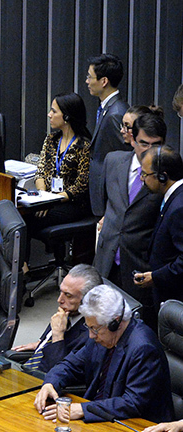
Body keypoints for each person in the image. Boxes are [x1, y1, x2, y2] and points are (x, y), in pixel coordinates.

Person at [34, 285, 173, 424]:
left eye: (94, 329)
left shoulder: (143, 348)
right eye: (88, 327)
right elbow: (71, 364)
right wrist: (51, 383)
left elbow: (132, 403)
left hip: (137, 427)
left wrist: (83, 409)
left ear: (115, 323)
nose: (90, 335)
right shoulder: (101, 335)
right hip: (101, 416)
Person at [94, 112, 165, 330]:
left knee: (138, 331)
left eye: (157, 144)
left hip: (139, 266)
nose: (150, 150)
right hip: (107, 261)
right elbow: (108, 205)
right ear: (132, 139)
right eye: (144, 143)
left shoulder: (165, 174)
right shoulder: (113, 161)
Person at [11, 264, 102, 373]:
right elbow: (45, 342)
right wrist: (42, 343)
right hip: (28, 371)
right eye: (61, 292)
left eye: (68, 295)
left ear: (88, 299)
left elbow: (57, 373)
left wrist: (58, 336)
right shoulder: (67, 312)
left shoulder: (92, 333)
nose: (59, 300)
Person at [27, 92, 91, 236]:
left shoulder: (84, 145)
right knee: (22, 215)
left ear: (67, 116)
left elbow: (81, 185)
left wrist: (52, 201)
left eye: (54, 111)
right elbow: (41, 171)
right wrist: (43, 198)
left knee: (28, 221)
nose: (49, 114)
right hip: (48, 198)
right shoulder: (51, 140)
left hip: (71, 203)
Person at [133, 145, 183, 304]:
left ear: (162, 177)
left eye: (145, 174)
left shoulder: (179, 208)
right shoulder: (174, 197)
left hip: (174, 295)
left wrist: (156, 277)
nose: (142, 178)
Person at [86, 53, 129, 217]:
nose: (87, 82)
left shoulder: (116, 114)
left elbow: (123, 162)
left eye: (90, 77)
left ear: (104, 81)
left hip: (108, 200)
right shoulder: (107, 109)